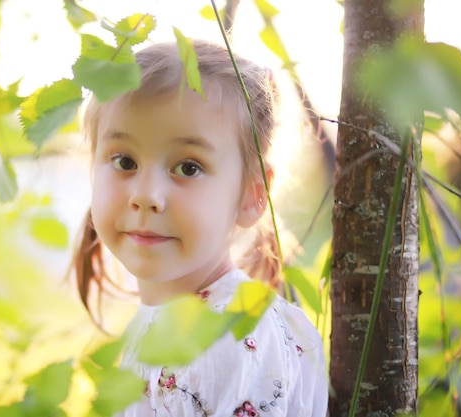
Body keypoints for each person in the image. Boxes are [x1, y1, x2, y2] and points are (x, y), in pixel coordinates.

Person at [73, 39, 328, 417]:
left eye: (188, 167)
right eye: (124, 161)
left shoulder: (225, 341)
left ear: (251, 194)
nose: (146, 196)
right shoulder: (176, 325)